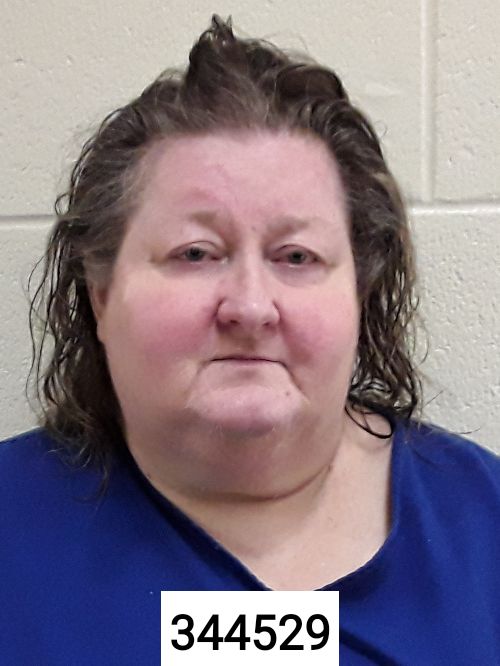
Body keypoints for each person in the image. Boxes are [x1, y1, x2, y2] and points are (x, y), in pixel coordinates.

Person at [1, 15, 499, 665]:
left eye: (296, 257)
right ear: (101, 295)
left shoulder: (483, 528)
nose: (250, 307)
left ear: (360, 293)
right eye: (195, 253)